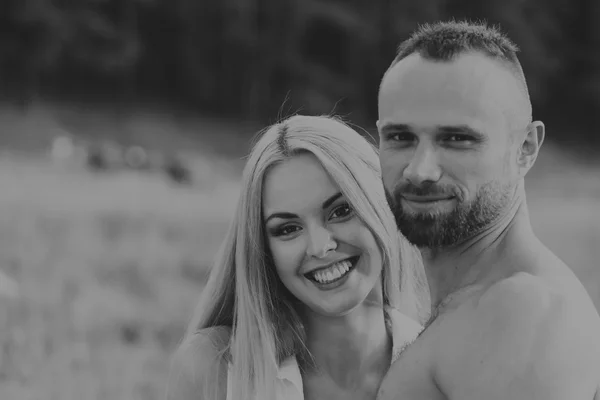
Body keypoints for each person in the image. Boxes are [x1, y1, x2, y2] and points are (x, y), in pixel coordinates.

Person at [375, 20, 600, 400]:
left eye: (457, 139)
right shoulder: (467, 303)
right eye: (400, 137)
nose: (419, 170)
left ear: (526, 148)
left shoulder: (523, 312)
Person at [166, 115, 428, 400]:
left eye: (341, 211)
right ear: (264, 250)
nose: (319, 246)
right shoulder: (214, 369)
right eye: (288, 229)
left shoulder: (447, 367)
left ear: (383, 204)